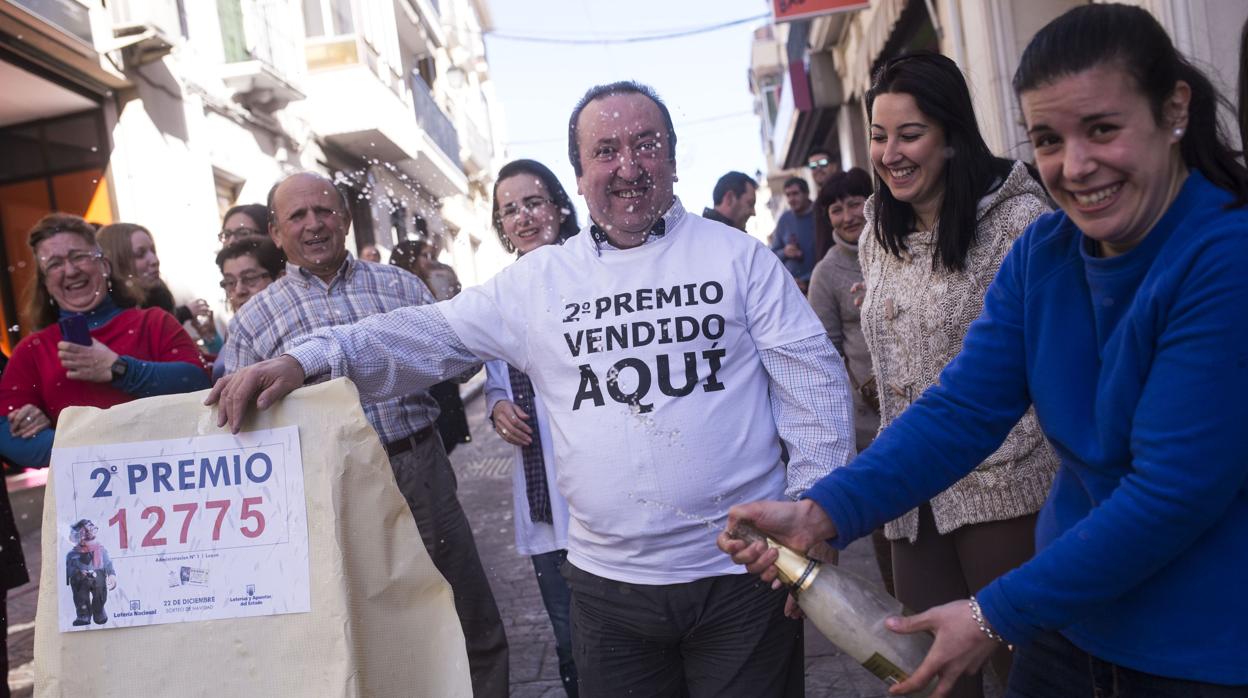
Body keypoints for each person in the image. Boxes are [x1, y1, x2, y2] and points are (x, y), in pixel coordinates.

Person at [207, 81, 855, 697]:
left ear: (675, 161)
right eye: (605, 151)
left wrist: (814, 509)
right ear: (578, 175)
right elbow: (425, 335)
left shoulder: (739, 259)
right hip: (609, 593)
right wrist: (308, 358)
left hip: (743, 578)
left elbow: (812, 382)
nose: (628, 165)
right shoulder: (541, 281)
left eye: (647, 145)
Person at [722, 5, 1248, 697]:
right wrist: (822, 511)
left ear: (1174, 110)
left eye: (1103, 130)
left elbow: (1171, 492)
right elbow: (963, 409)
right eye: (1048, 139)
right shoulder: (1047, 254)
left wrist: (992, 613)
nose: (1076, 166)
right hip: (1071, 629)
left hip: (1198, 652)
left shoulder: (1224, 257)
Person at [217, 172, 507, 696]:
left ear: (346, 220)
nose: (313, 225)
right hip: (323, 489)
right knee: (361, 625)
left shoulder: (400, 286)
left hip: (416, 469)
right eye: (297, 217)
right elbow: (228, 417)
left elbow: (462, 363)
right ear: (276, 233)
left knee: (461, 605)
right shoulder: (254, 320)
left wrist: (458, 316)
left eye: (324, 211)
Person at [0, 213, 211, 471]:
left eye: (79, 256)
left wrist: (120, 370)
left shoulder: (154, 323)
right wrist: (91, 452)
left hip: (170, 487)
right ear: (45, 283)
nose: (70, 270)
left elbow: (198, 383)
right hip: (84, 504)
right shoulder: (32, 351)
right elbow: (6, 432)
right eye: (54, 264)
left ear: (105, 266)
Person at [484, 158, 582, 696]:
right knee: (569, 639)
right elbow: (495, 377)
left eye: (533, 202)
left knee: (625, 638)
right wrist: (497, 404)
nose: (522, 217)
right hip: (546, 508)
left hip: (603, 501)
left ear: (559, 207)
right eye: (509, 209)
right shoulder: (499, 295)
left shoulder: (592, 271)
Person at [805, 167, 892, 595]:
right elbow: (825, 354)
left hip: (923, 401)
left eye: (854, 203)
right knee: (888, 520)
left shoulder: (899, 245)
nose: (847, 216)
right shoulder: (826, 274)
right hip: (869, 419)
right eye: (835, 209)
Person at [389, 239, 471, 455]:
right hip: (419, 370)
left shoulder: (435, 280)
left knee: (448, 423)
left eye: (430, 256)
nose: (429, 261)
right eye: (424, 256)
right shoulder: (396, 288)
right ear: (410, 259)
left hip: (441, 365)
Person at [97, 223, 223, 356]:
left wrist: (211, 339)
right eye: (140, 254)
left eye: (153, 251)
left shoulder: (159, 297)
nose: (154, 260)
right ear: (118, 262)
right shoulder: (110, 318)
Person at [213, 237, 285, 380]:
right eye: (230, 282)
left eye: (250, 278)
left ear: (280, 278)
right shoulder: (235, 332)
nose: (239, 290)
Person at [770, 176, 817, 292]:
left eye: (795, 193)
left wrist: (807, 280)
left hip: (817, 284)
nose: (791, 199)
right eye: (788, 195)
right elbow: (772, 254)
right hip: (792, 288)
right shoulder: (784, 220)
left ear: (806, 193)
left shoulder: (819, 215)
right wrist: (785, 252)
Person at [66, 519, 115, 626]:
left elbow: (107, 563)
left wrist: (111, 574)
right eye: (84, 532)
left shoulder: (101, 550)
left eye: (91, 530)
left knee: (100, 594)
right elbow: (70, 568)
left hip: (98, 576)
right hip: (80, 579)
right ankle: (83, 614)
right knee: (80, 596)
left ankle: (99, 611)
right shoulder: (73, 554)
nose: (89, 534)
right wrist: (77, 573)